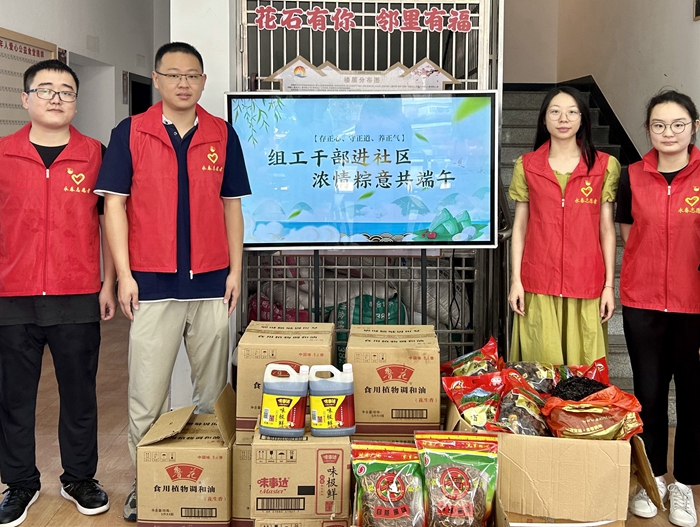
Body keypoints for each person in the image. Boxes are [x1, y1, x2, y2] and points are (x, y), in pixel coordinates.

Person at [94, 42, 251, 522]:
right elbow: (114, 206)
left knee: (212, 392)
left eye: (193, 75)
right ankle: (147, 483)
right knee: (148, 394)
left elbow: (231, 206)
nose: (184, 83)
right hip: (152, 285)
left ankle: (209, 479)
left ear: (203, 81)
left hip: (210, 283)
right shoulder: (130, 132)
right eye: (174, 74)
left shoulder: (222, 133)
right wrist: (124, 276)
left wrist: (235, 272)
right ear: (158, 80)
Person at [0, 60, 115, 526]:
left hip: (77, 293)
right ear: (25, 99)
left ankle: (79, 479)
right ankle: (19, 483)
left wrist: (109, 282)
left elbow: (113, 225)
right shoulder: (3, 154)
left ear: (76, 103)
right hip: (12, 296)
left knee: (79, 395)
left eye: (66, 91)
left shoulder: (96, 154)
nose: (55, 98)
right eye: (45, 89)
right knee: (13, 398)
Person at [617, 90, 699, 527]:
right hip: (643, 302)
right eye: (659, 125)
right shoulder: (631, 176)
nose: (669, 132)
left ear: (694, 128)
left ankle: (684, 483)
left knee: (692, 396)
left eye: (678, 124)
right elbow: (629, 232)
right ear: (648, 129)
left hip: (694, 304)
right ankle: (653, 482)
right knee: (648, 394)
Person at [508, 86, 621, 365]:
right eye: (555, 112)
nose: (563, 119)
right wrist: (516, 281)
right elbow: (520, 227)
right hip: (538, 281)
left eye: (572, 112)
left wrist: (609, 286)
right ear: (544, 119)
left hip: (586, 282)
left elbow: (607, 229)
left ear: (583, 120)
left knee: (585, 373)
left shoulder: (604, 166)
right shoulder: (527, 165)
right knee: (540, 371)